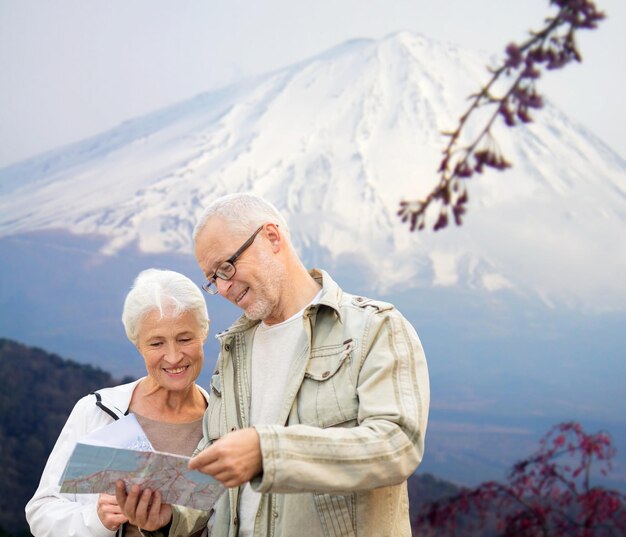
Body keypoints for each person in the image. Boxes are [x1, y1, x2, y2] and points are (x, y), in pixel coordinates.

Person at [117, 193, 430, 537]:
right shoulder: (233, 351)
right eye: (213, 278)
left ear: (272, 237)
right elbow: (212, 477)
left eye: (226, 268)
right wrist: (167, 518)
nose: (223, 288)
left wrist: (269, 452)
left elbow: (396, 446)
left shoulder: (374, 328)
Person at [26, 269, 211, 537]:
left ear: (204, 331)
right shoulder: (97, 412)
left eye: (184, 339)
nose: (173, 357)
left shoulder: (222, 421)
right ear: (137, 344)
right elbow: (41, 513)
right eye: (156, 343)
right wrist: (98, 519)